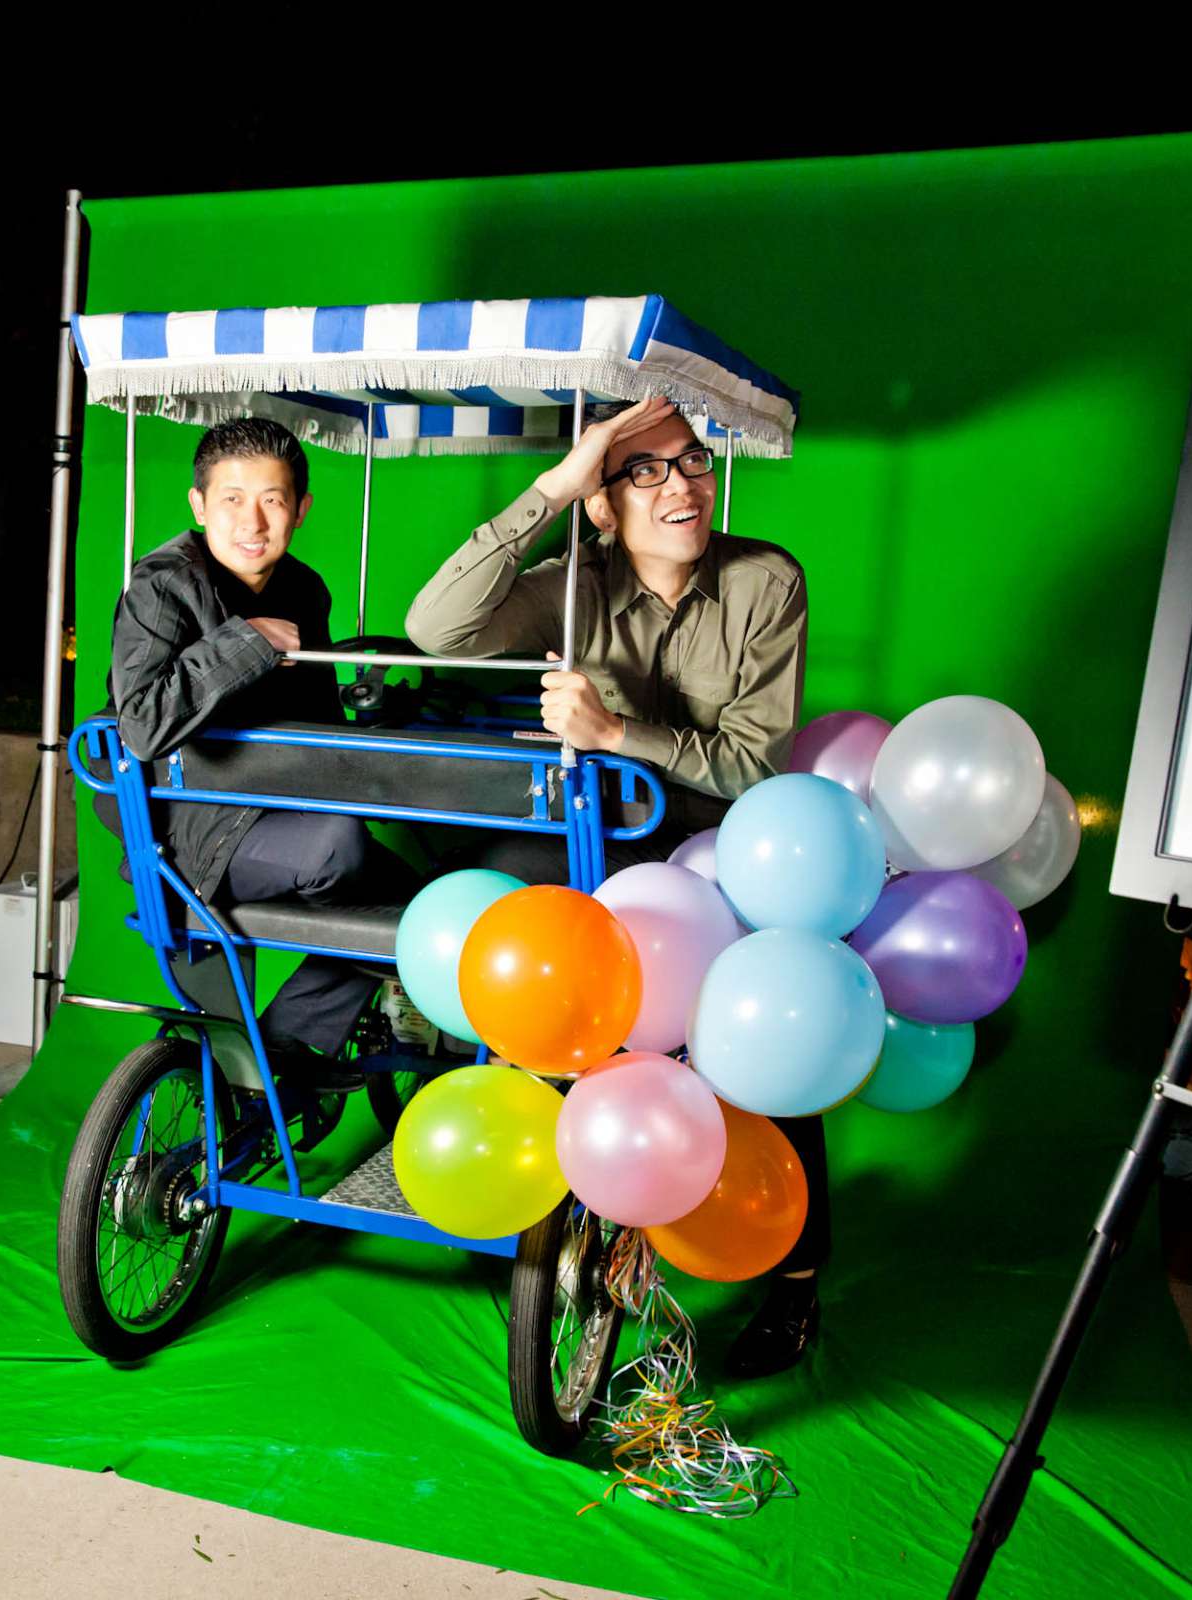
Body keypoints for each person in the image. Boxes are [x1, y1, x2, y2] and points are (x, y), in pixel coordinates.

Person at [405, 395, 827, 1378]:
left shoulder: (766, 581)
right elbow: (437, 627)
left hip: (724, 849)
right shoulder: (574, 586)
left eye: (691, 463)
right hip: (607, 846)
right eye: (645, 471)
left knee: (772, 1023)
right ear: (606, 503)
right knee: (541, 978)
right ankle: (570, 1221)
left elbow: (757, 768)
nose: (681, 485)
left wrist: (614, 734)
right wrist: (559, 481)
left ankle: (799, 1275)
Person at [97, 417, 414, 1083]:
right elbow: (143, 725)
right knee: (340, 846)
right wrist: (248, 640)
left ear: (300, 508)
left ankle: (283, 1060)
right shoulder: (162, 587)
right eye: (232, 499)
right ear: (199, 505)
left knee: (421, 910)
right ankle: (263, 1073)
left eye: (272, 500)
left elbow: (319, 722)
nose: (253, 522)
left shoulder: (306, 588)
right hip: (186, 826)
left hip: (274, 807)